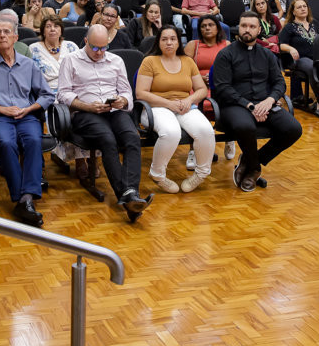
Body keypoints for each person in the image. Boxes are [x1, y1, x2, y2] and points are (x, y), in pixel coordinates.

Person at [57, 25, 152, 222]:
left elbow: (126, 92)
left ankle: (130, 193)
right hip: (86, 112)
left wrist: (122, 101)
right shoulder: (70, 60)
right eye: (95, 48)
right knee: (107, 139)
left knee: (132, 138)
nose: (100, 53)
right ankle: (128, 198)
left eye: (104, 48)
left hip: (113, 110)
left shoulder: (116, 60)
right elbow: (63, 93)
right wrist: (86, 106)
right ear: (86, 41)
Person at [0, 20, 55, 226]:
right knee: (6, 143)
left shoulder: (28, 64)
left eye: (7, 32)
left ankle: (26, 199)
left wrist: (30, 108)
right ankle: (23, 199)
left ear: (16, 37)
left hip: (26, 115)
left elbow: (47, 95)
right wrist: (1, 109)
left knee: (33, 141)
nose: (3, 35)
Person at [210, 12, 302, 192]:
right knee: (245, 126)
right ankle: (254, 169)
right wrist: (250, 106)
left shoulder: (267, 55)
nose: (247, 30)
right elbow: (223, 88)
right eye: (244, 26)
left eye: (252, 26)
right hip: (234, 105)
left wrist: (270, 100)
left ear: (259, 30)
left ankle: (250, 160)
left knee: (293, 129)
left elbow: (279, 82)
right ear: (239, 28)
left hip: (264, 104)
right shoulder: (225, 54)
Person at [136, 27, 214, 194]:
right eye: (164, 39)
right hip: (156, 107)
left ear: (179, 42)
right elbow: (141, 93)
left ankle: (201, 174)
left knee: (206, 130)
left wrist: (189, 100)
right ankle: (157, 174)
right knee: (171, 132)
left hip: (184, 106)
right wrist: (168, 103)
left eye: (173, 39)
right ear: (158, 42)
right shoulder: (149, 61)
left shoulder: (188, 61)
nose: (169, 42)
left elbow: (201, 89)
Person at [29, 17, 85, 173]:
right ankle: (74, 157)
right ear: (43, 31)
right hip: (47, 92)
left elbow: (82, 71)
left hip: (72, 89)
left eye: (56, 26)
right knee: (59, 114)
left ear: (61, 30)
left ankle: (83, 158)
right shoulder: (33, 49)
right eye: (48, 26)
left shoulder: (71, 46)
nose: (52, 29)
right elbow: (31, 77)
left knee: (82, 113)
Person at [279, 0, 319, 115]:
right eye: (299, 7)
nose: (302, 9)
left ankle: (318, 103)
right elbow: (281, 45)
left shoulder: (315, 24)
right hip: (299, 59)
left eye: (304, 6)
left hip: (316, 57)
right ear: (293, 11)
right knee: (312, 67)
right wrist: (291, 49)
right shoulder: (289, 26)